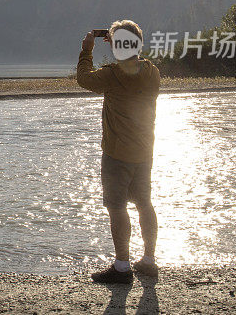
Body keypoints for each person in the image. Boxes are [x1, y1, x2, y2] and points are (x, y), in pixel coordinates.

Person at [76, 19, 161, 283]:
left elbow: (83, 79)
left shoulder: (112, 74)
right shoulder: (152, 72)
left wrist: (87, 50)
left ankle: (122, 266)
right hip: (144, 151)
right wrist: (120, 45)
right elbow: (132, 66)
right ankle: (148, 260)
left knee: (117, 207)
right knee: (144, 204)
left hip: (116, 154)